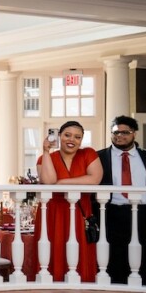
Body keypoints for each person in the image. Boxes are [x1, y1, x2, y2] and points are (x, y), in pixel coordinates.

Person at [96, 115, 146, 284]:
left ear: (134, 134)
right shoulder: (99, 157)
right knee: (114, 262)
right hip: (113, 215)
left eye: (125, 132)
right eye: (116, 132)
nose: (120, 136)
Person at [38, 120, 103, 282]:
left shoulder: (88, 153)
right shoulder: (44, 158)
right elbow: (48, 181)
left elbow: (94, 179)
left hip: (80, 211)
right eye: (67, 135)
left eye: (77, 137)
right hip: (53, 212)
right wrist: (46, 151)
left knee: (80, 249)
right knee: (53, 247)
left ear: (81, 140)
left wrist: (60, 183)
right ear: (59, 136)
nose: (71, 140)